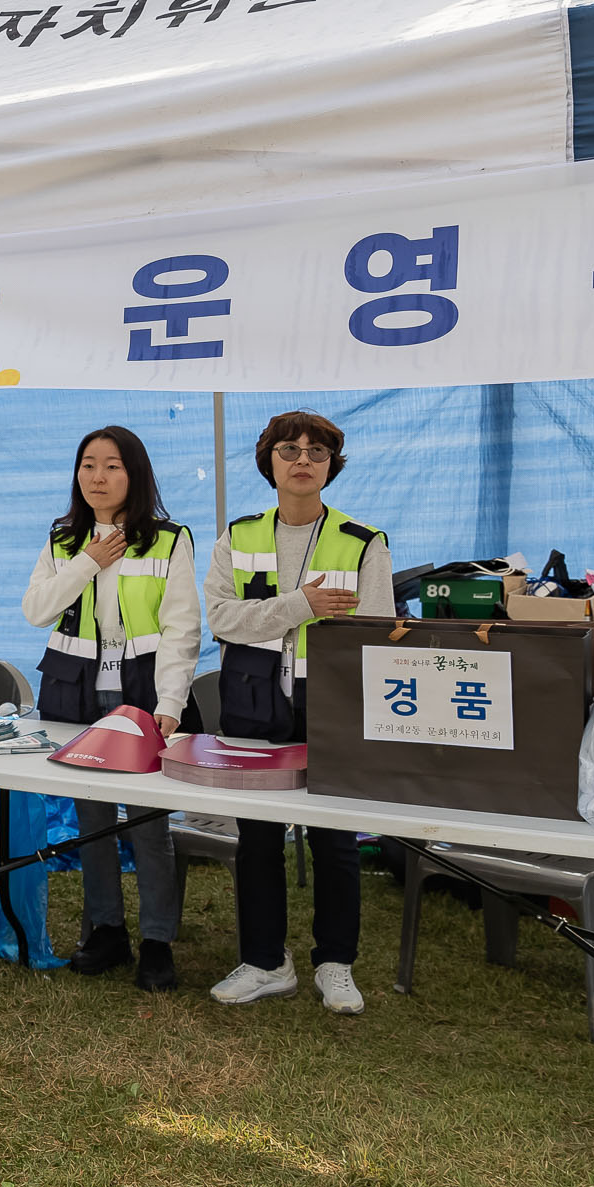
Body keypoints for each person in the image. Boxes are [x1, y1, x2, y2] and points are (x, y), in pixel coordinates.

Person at [205, 410, 395, 1015]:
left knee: (334, 838)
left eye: (317, 451)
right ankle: (265, 961)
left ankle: (335, 964)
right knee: (256, 837)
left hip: (333, 701)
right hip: (251, 700)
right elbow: (221, 619)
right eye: (289, 450)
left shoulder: (364, 541)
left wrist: (294, 613)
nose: (303, 459)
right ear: (270, 463)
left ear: (332, 466)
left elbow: (377, 630)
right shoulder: (238, 536)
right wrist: (302, 605)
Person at [23, 426, 201, 991]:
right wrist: (88, 561)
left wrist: (170, 702)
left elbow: (181, 628)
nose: (98, 477)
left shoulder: (170, 540)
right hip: (74, 692)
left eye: (112, 466)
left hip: (143, 693)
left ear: (136, 474)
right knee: (91, 818)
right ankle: (105, 930)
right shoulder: (62, 539)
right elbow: (35, 610)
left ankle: (157, 941)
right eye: (88, 466)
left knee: (148, 822)